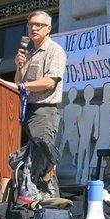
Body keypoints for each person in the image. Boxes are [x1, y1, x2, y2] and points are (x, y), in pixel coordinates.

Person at [12, 10, 67, 145]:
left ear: (48, 29)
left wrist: (23, 86)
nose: (33, 28)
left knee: (41, 159)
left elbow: (50, 82)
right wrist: (19, 67)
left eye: (38, 25)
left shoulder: (54, 50)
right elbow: (18, 83)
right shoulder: (29, 54)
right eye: (30, 25)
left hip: (43, 112)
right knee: (26, 161)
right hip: (26, 111)